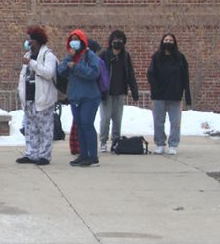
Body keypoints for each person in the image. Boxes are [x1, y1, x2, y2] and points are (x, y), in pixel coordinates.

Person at [56, 29, 102, 167]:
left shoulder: (90, 55)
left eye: (76, 39)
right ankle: (83, 154)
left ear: (82, 41)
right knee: (80, 126)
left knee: (87, 125)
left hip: (89, 96)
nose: (73, 42)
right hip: (75, 97)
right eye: (71, 40)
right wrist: (70, 59)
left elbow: (94, 73)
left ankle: (93, 157)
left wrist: (76, 67)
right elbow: (61, 71)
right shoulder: (71, 57)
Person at [16, 26, 59, 166]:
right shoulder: (27, 56)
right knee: (30, 128)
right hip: (29, 98)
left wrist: (32, 63)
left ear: (38, 41)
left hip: (43, 98)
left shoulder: (48, 56)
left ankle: (44, 155)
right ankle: (31, 153)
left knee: (45, 128)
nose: (28, 43)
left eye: (31, 40)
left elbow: (48, 73)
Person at [147, 33, 192, 155]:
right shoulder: (156, 57)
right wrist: (155, 89)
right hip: (159, 95)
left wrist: (187, 96)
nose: (168, 42)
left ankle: (173, 144)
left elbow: (185, 77)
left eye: (171, 40)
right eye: (166, 40)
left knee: (175, 122)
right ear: (162, 42)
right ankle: (160, 144)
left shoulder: (180, 58)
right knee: (158, 121)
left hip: (175, 95)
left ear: (175, 42)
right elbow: (150, 74)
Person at [98, 30, 139, 152]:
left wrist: (134, 90)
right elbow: (98, 72)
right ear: (111, 41)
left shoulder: (125, 56)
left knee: (117, 119)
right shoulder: (104, 55)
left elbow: (130, 74)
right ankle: (103, 141)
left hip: (120, 91)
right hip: (106, 92)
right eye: (116, 39)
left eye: (121, 40)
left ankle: (116, 141)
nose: (118, 42)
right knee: (105, 119)